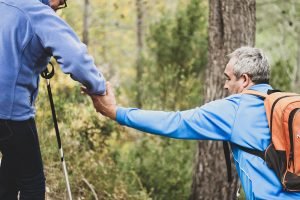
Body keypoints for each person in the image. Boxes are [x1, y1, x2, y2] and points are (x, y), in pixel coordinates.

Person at [85, 47, 300, 199]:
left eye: (228, 78)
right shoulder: (282, 104)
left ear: (244, 79)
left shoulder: (235, 109)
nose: (225, 86)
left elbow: (175, 123)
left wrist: (116, 112)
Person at [0, 0, 106, 199]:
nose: (60, 5)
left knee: (11, 167)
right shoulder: (38, 13)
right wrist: (99, 87)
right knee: (32, 183)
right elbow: (76, 59)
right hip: (9, 111)